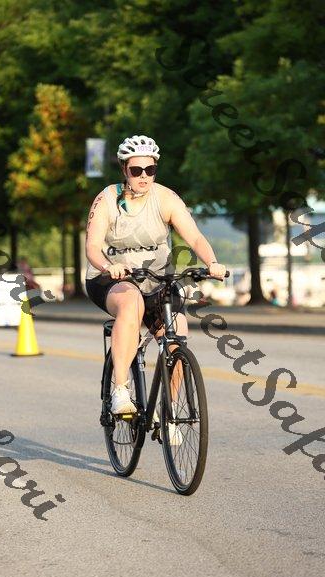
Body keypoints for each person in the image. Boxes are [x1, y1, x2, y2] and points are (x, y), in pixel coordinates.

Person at [85, 134, 227, 414]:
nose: (144, 176)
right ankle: (120, 390)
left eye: (150, 170)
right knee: (131, 302)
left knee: (178, 333)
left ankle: (169, 411)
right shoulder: (107, 199)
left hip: (157, 280)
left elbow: (195, 237)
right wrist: (108, 266)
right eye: (136, 170)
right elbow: (92, 247)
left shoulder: (166, 198)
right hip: (112, 279)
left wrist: (212, 262)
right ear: (124, 169)